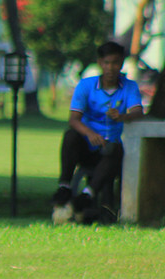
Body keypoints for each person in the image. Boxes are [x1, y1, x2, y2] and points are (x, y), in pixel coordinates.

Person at [51, 41, 143, 223]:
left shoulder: (129, 87)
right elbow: (74, 119)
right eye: (107, 63)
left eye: (115, 63)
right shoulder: (86, 86)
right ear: (100, 63)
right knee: (70, 135)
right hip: (87, 147)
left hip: (109, 152)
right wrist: (90, 134)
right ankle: (65, 186)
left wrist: (122, 116)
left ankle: (87, 195)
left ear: (121, 63)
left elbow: (138, 112)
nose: (111, 68)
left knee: (115, 148)